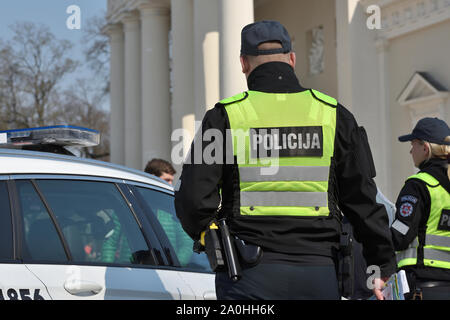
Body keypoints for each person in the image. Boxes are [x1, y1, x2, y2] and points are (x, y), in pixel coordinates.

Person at [175, 20, 396, 300]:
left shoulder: (224, 118)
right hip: (319, 273)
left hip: (248, 274)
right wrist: (382, 264)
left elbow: (193, 199)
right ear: (292, 59)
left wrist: (210, 236)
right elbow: (363, 199)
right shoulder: (334, 115)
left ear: (243, 63)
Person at [391, 117, 450, 300]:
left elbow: (401, 235)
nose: (410, 151)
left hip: (422, 286)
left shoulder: (418, 185)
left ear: (425, 148)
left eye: (413, 144)